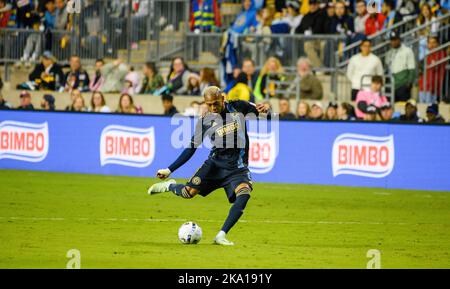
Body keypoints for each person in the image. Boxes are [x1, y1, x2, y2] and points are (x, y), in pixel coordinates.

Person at [148, 86, 270, 246]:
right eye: (209, 104)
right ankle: (170, 186)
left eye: (216, 103)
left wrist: (265, 110)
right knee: (187, 193)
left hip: (237, 167)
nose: (213, 107)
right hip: (215, 165)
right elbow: (191, 148)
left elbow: (263, 114)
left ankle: (221, 235)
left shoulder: (239, 106)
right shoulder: (205, 121)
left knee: (244, 194)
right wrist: (169, 170)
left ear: (223, 99)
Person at [295, 0, 330, 68]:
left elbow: (324, 28)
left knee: (324, 44)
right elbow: (298, 29)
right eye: (311, 4)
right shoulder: (306, 16)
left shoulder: (323, 14)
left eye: (314, 4)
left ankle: (322, 67)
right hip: (309, 40)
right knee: (307, 45)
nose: (312, 6)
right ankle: (320, 67)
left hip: (320, 39)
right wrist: (303, 33)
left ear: (317, 5)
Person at [385, 31, 416, 102]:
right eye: (392, 40)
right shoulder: (389, 53)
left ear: (399, 39)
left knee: (403, 106)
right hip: (391, 84)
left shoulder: (407, 51)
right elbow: (387, 68)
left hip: (402, 84)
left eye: (395, 39)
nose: (394, 42)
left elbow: (412, 68)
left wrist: (409, 83)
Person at [419, 36, 447, 103]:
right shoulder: (429, 54)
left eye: (434, 43)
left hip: (432, 88)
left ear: (438, 44)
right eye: (429, 43)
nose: (431, 45)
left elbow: (435, 68)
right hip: (423, 86)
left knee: (429, 109)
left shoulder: (440, 54)